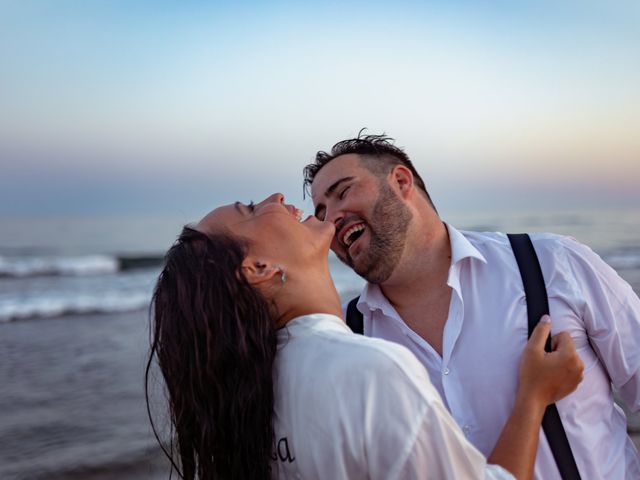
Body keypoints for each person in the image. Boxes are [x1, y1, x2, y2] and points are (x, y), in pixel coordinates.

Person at [146, 192, 583, 480]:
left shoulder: (251, 395)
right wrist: (534, 396)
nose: (277, 198)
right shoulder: (369, 370)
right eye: (252, 211)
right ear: (258, 270)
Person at [304, 133, 640, 479]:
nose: (331, 220)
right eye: (320, 212)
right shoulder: (346, 335)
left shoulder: (553, 263)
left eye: (343, 192)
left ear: (402, 181)